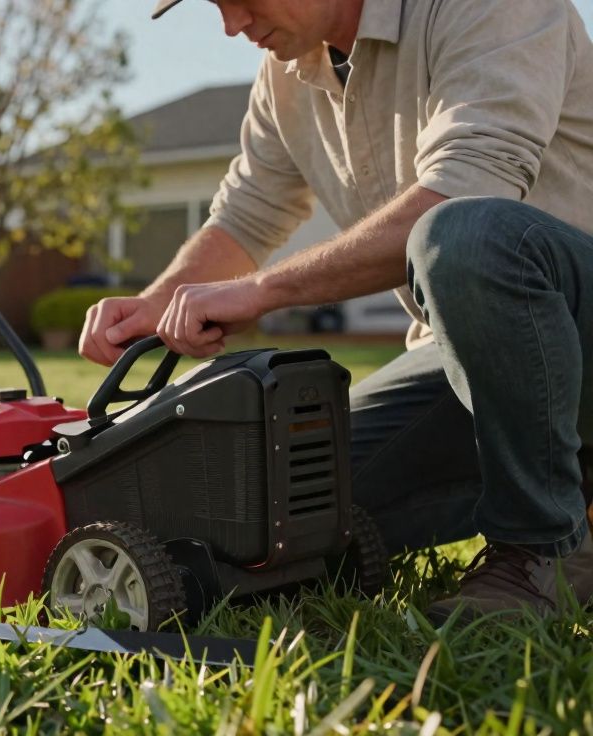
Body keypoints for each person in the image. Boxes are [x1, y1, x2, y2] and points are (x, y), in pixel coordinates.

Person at [79, 0, 593, 623]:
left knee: (464, 235)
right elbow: (247, 212)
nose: (231, 24)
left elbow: (468, 187)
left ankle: (545, 547)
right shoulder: (286, 76)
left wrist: (262, 292)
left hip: (576, 320)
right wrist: (155, 303)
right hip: (475, 359)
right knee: (290, 499)